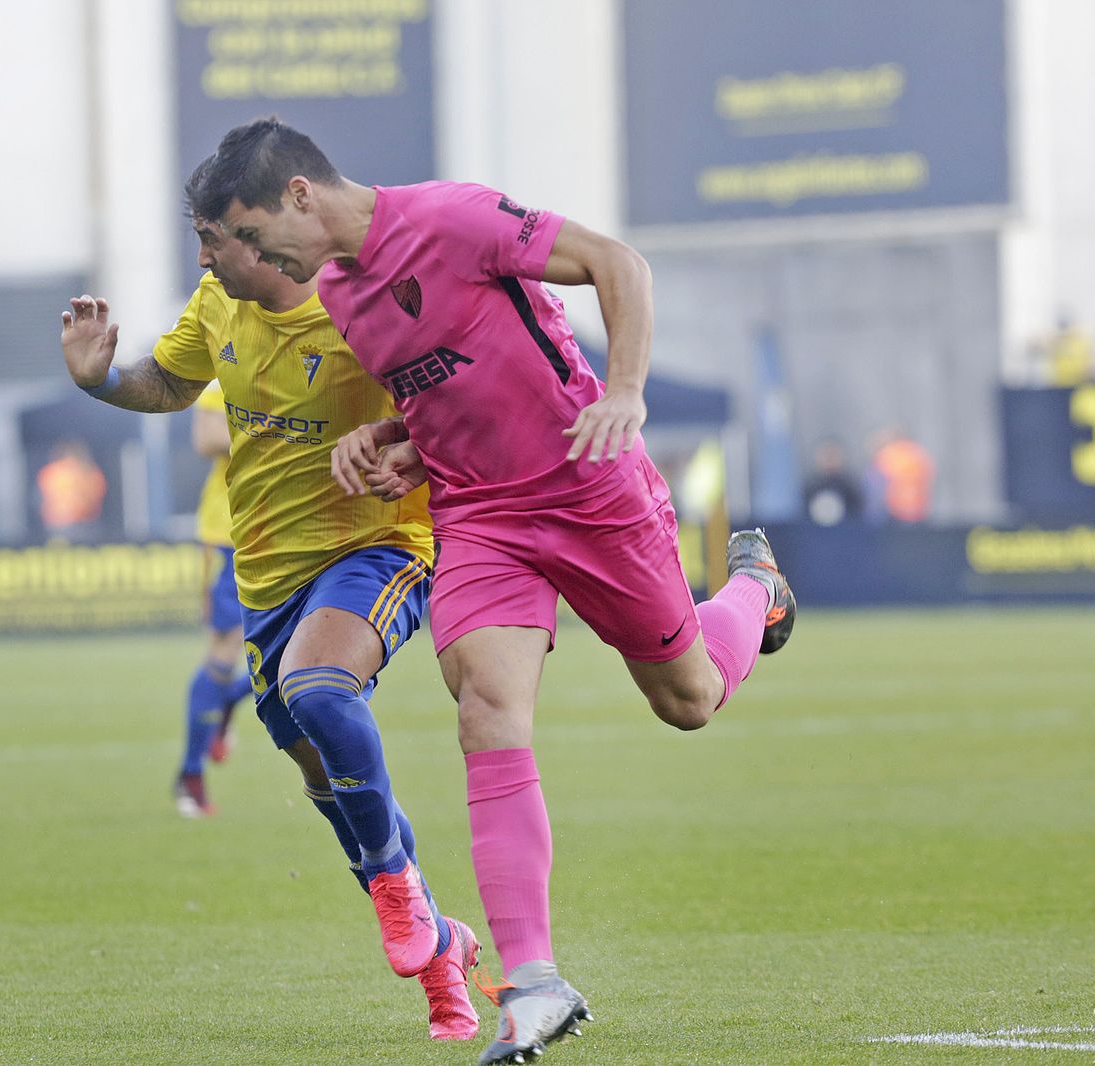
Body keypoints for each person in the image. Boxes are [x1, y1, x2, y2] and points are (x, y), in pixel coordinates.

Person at [189, 118, 796, 1065]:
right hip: (479, 516)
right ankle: (534, 984)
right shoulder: (343, 292)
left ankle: (754, 589)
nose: (260, 258)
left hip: (587, 483)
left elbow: (617, 262)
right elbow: (439, 396)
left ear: (301, 195)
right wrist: (390, 444)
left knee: (688, 700)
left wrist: (624, 389)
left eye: (259, 235)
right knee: (486, 709)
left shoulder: (455, 218)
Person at [57, 177, 480, 1041]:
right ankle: (442, 950)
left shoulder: (370, 297)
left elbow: (463, 407)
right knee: (322, 777)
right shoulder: (218, 301)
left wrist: (411, 456)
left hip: (377, 547)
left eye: (215, 239)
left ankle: (401, 894)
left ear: (268, 228)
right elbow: (170, 387)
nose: (204, 258)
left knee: (323, 691)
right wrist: (101, 381)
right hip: (267, 576)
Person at [173, 380, 256, 818]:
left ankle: (224, 701)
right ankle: (190, 774)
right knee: (223, 652)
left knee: (301, 658)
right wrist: (275, 427)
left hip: (291, 531)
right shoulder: (228, 360)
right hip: (229, 534)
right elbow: (206, 436)